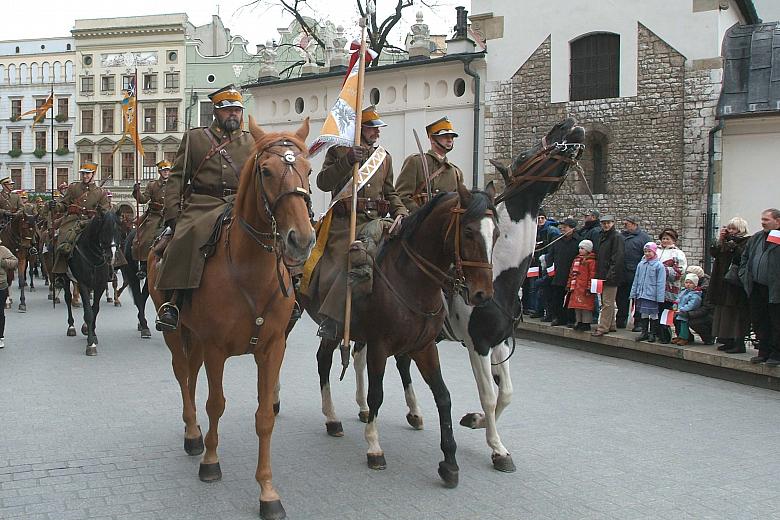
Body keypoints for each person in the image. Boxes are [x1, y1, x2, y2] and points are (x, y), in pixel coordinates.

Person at [155, 84, 255, 331]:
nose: (233, 114)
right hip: (203, 204)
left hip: (239, 204)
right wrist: (172, 214)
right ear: (216, 112)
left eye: (237, 110)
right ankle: (174, 302)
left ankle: (286, 297)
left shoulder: (251, 141)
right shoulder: (195, 138)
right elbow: (177, 178)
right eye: (227, 109)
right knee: (186, 236)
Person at [307, 105, 408, 340]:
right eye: (372, 128)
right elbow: (323, 182)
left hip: (377, 221)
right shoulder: (340, 151)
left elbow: (390, 193)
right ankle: (331, 320)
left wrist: (401, 211)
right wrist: (347, 161)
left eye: (377, 128)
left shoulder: (384, 158)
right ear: (358, 128)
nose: (377, 133)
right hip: (346, 223)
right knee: (348, 261)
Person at [51, 162, 111, 286]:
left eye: (87, 174)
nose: (85, 176)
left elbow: (105, 211)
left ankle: (111, 270)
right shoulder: (73, 188)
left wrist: (98, 215)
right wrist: (56, 205)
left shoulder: (100, 192)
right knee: (63, 239)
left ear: (93, 174)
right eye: (83, 173)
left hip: (92, 222)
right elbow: (63, 204)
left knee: (109, 240)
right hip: (74, 220)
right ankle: (60, 273)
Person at [395, 116, 464, 212]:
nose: (450, 140)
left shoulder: (456, 172)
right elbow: (401, 196)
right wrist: (420, 214)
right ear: (432, 139)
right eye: (445, 136)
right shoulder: (416, 162)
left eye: (452, 137)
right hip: (418, 222)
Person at [739, 208, 780, 366]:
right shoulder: (756, 237)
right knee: (759, 321)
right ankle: (763, 352)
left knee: (776, 322)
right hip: (757, 287)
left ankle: (776, 354)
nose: (762, 222)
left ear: (777, 221)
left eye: (766, 220)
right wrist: (745, 277)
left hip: (775, 289)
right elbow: (745, 257)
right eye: (762, 219)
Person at [709, 217, 751, 353]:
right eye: (729, 228)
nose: (731, 231)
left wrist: (733, 246)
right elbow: (714, 253)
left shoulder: (746, 241)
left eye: (734, 229)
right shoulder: (726, 242)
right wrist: (721, 240)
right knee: (723, 312)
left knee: (735, 314)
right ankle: (726, 339)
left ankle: (738, 342)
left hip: (735, 284)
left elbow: (742, 257)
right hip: (722, 282)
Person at [132, 160, 170, 277]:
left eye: (168, 170)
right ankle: (144, 264)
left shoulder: (174, 184)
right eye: (164, 170)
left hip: (170, 215)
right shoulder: (152, 185)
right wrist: (137, 191)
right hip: (155, 216)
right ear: (160, 172)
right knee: (146, 238)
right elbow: (143, 200)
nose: (166, 173)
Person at [592, 214, 624, 337]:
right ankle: (611, 325)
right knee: (607, 301)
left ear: (613, 223)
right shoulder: (602, 236)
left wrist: (611, 274)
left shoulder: (616, 237)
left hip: (610, 274)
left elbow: (617, 257)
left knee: (607, 302)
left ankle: (603, 327)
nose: (606, 225)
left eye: (608, 223)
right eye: (604, 223)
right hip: (602, 272)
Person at [617, 215, 651, 330]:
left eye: (627, 223)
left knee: (638, 299)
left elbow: (648, 255)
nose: (624, 225)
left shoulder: (644, 238)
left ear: (634, 224)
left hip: (637, 273)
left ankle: (639, 323)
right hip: (621, 273)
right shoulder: (620, 237)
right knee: (621, 298)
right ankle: (621, 320)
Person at [524, 209, 560, 319]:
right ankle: (535, 308)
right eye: (538, 218)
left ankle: (542, 310)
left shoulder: (551, 230)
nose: (540, 220)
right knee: (534, 286)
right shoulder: (534, 230)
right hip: (535, 262)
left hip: (545, 262)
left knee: (542, 287)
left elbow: (552, 247)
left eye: (542, 218)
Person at [546, 217, 580, 326]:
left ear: (572, 228)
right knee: (557, 298)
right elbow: (550, 256)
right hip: (558, 274)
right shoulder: (557, 240)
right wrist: (551, 271)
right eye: (563, 227)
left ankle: (570, 319)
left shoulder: (578, 241)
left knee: (571, 299)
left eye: (566, 227)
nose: (563, 229)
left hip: (572, 275)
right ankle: (557, 317)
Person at [656, 228, 687, 344]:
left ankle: (667, 335)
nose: (665, 241)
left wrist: (663, 270)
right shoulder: (656, 251)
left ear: (673, 240)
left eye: (667, 239)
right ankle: (657, 333)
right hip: (655, 288)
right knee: (657, 312)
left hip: (669, 287)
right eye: (663, 238)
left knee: (667, 312)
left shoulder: (677, 253)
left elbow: (680, 270)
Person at [630, 242, 666, 342]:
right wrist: (633, 293)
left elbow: (660, 282)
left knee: (654, 314)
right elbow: (636, 279)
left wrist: (659, 297)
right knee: (644, 313)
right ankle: (644, 332)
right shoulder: (641, 264)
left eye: (649, 251)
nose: (647, 253)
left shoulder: (659, 266)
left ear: (654, 252)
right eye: (645, 251)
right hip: (642, 294)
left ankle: (652, 333)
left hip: (652, 295)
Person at [566, 239, 597, 331]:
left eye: (582, 248)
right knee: (577, 306)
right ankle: (579, 321)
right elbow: (572, 273)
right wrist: (569, 284)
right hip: (576, 287)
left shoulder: (591, 261)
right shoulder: (576, 259)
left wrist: (589, 287)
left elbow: (592, 274)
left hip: (585, 288)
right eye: (579, 248)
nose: (580, 250)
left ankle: (586, 323)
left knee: (585, 307)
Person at [683, 265, 714, 345]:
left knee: (694, 322)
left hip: (709, 314)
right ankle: (685, 337)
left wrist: (689, 314)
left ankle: (708, 338)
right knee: (677, 317)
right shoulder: (690, 287)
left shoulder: (706, 289)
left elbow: (706, 308)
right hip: (694, 310)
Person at [672, 273, 702, 346]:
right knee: (676, 322)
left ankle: (684, 337)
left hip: (686, 312)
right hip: (679, 311)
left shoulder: (696, 295)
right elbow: (679, 298)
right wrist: (675, 304)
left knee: (683, 323)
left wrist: (682, 309)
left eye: (691, 283)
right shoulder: (684, 291)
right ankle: (679, 335)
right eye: (686, 282)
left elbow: (691, 305)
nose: (688, 284)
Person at [0, 239, 18, 349]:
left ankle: (0, 336)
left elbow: (15, 261)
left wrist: (3, 262)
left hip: (0, 286)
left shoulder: (2, 250)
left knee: (0, 312)